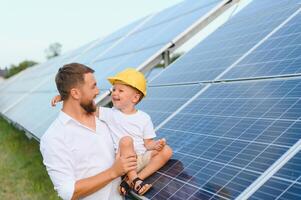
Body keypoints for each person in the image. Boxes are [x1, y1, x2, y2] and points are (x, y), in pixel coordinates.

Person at [51, 68, 173, 196]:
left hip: (142, 158)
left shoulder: (144, 117)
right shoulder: (109, 113)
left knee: (167, 150)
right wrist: (65, 97)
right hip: (124, 162)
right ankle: (134, 180)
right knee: (126, 140)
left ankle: (134, 180)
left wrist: (156, 145)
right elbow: (84, 107)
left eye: (120, 90)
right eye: (114, 89)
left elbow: (148, 143)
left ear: (135, 98)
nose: (115, 93)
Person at [40, 63, 137, 200]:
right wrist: (113, 172)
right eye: (93, 86)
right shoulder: (54, 137)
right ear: (75, 93)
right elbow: (68, 192)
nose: (98, 91)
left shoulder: (105, 119)